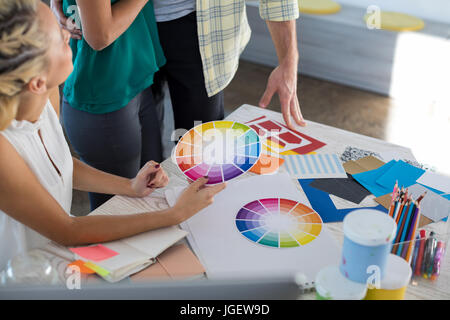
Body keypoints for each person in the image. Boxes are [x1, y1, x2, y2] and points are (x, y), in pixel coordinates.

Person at [0, 0, 226, 272]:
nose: (66, 32)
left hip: (54, 260)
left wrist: (129, 186)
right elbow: (67, 229)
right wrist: (174, 214)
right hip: (24, 274)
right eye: (58, 40)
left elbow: (60, 163)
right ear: (36, 80)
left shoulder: (44, 98)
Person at [54, 0, 306, 135]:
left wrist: (288, 59)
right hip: (128, 31)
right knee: (142, 147)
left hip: (199, 31)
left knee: (200, 144)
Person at [51, 0, 167, 210]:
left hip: (134, 73)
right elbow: (99, 36)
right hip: (105, 88)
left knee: (154, 191)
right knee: (118, 210)